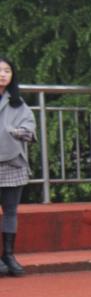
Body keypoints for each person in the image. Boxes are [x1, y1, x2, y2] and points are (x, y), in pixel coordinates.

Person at [0, 56, 36, 277]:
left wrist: (21, 132)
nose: (3, 74)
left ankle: (8, 254)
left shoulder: (18, 103)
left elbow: (29, 128)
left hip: (13, 162)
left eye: (7, 71)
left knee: (11, 211)